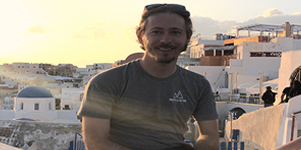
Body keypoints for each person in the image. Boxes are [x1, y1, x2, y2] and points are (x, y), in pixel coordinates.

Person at [79, 3, 220, 150]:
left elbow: (209, 136)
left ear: (187, 38)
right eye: (156, 32)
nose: (166, 40)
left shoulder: (198, 84)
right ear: (140, 36)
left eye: (175, 32)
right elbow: (95, 142)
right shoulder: (106, 82)